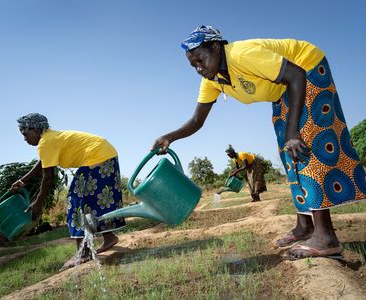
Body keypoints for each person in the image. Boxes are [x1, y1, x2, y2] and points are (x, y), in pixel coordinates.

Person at [151, 25, 366, 260]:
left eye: (200, 61)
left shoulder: (242, 55)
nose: (199, 69)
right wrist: (170, 136)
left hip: (307, 70)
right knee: (288, 152)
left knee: (302, 147)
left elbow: (296, 75)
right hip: (283, 91)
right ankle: (304, 226)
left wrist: (294, 131)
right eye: (193, 66)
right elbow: (196, 120)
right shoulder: (213, 80)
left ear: (215, 47)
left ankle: (326, 237)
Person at [11, 113, 126, 270]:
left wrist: (38, 203)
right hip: (106, 154)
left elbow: (48, 178)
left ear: (35, 129)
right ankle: (109, 237)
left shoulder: (46, 141)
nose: (24, 138)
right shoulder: (50, 138)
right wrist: (23, 180)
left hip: (97, 157)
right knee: (93, 202)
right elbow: (43, 163)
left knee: (76, 202)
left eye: (25, 133)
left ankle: (84, 252)